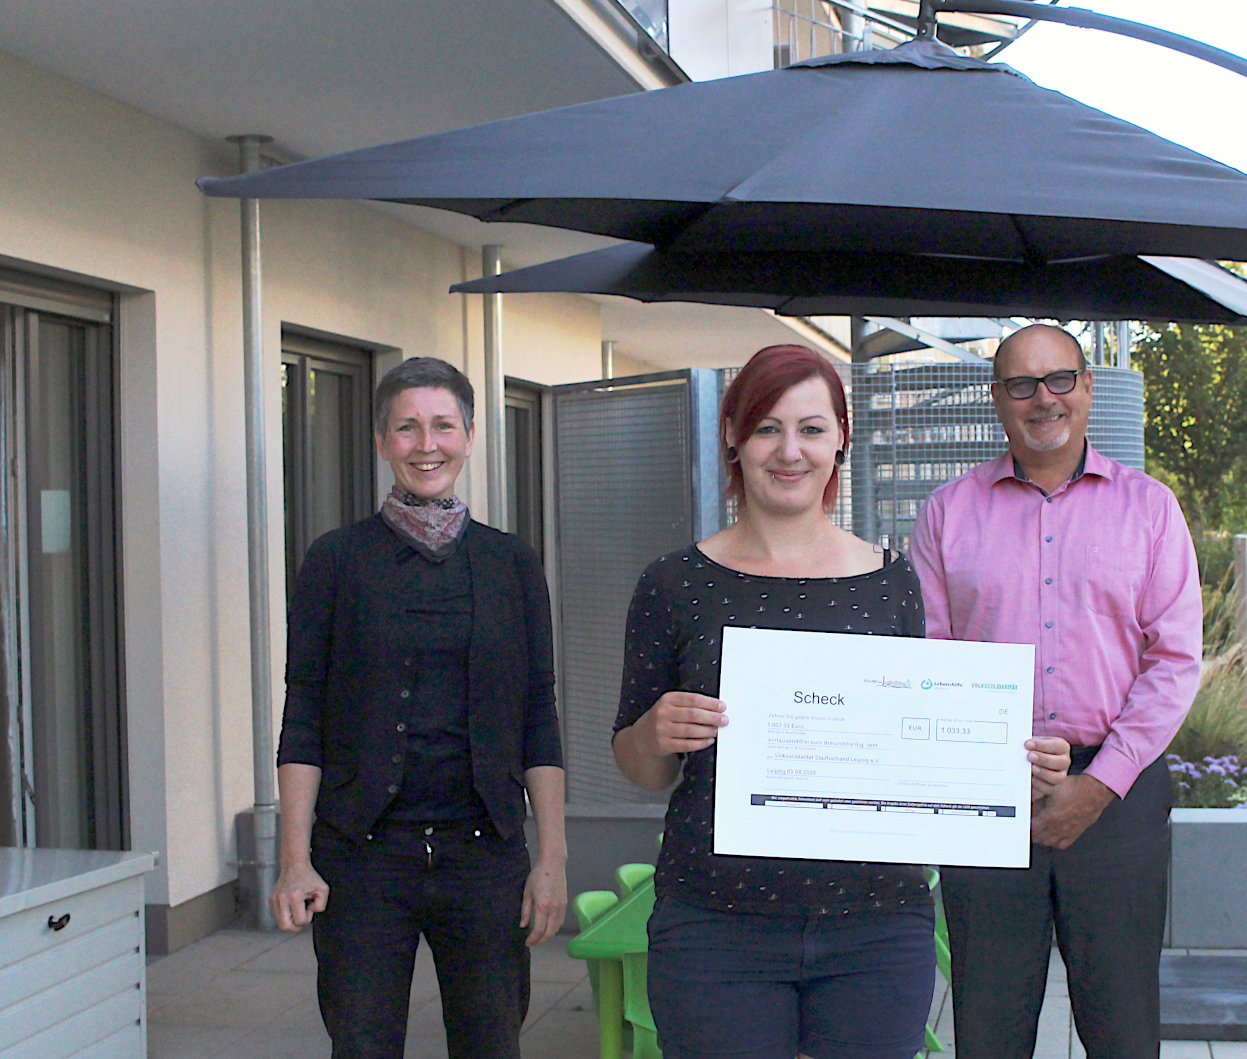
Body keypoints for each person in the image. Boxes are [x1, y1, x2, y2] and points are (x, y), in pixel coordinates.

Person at [612, 343, 936, 1059]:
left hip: (876, 925)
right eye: (767, 427)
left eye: (812, 428)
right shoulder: (673, 582)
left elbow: (912, 746)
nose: (790, 451)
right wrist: (655, 731)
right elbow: (640, 768)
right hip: (713, 924)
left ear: (841, 439)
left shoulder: (893, 581)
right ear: (733, 433)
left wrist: (990, 761)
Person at [909, 324, 1202, 1059]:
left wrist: (1098, 785)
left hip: (1118, 794)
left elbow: (1174, 661)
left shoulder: (1151, 508)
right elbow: (925, 657)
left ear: (1088, 388)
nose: (1043, 398)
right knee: (989, 1028)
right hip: (985, 792)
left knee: (1123, 1027)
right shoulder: (946, 513)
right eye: (1021, 383)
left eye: (1060, 379)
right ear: (997, 399)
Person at [269, 356, 567, 1059]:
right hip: (361, 858)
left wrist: (550, 857)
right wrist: (293, 859)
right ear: (381, 440)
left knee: (492, 1042)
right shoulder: (335, 560)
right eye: (406, 427)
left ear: (469, 434)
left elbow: (538, 717)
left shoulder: (512, 563)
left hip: (483, 856)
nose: (425, 443)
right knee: (363, 1042)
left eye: (442, 425)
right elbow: (303, 712)